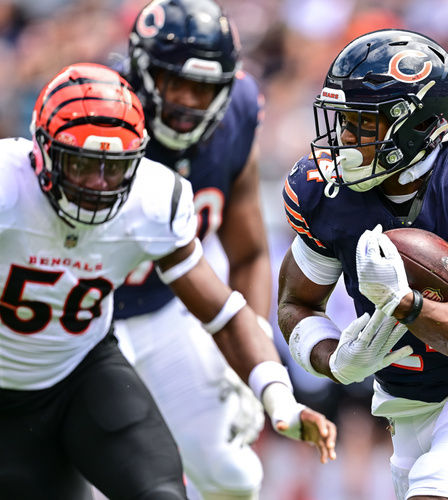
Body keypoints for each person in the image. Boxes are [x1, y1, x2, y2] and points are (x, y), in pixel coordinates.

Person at [0, 62, 336, 500]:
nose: (99, 185)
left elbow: (222, 312)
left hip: (80, 371)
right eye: (82, 164)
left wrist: (278, 398)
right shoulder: (9, 186)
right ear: (42, 151)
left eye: (114, 167)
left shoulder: (152, 198)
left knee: (161, 492)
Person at [277, 29, 448, 500]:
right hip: (403, 404)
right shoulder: (326, 193)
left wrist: (407, 306)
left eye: (362, 123)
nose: (344, 138)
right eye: (342, 120)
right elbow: (294, 303)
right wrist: (335, 359)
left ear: (417, 123)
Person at [112, 1, 273, 498]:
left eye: (202, 88)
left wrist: (248, 355)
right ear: (141, 73)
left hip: (165, 316)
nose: (185, 102)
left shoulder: (238, 115)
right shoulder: (100, 115)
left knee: (234, 477)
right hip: (84, 322)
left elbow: (248, 255)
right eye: (172, 82)